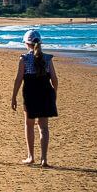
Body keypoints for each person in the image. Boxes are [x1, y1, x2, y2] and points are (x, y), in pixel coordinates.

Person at [11, 29, 59, 166]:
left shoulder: (24, 59)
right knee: (44, 127)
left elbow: (18, 79)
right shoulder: (47, 58)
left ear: (27, 44)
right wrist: (54, 94)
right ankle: (44, 159)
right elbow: (54, 79)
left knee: (29, 125)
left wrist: (13, 96)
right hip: (45, 93)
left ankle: (31, 156)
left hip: (30, 93)